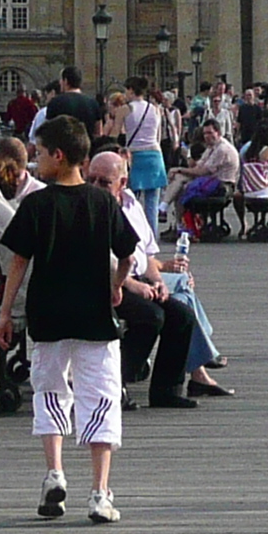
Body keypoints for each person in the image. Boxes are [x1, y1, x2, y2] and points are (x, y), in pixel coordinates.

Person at [0, 115, 143, 523]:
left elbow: (19, 262)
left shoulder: (36, 204)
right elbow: (128, 254)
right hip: (95, 317)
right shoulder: (102, 203)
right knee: (100, 397)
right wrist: (116, 285)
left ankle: (55, 473)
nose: (35, 162)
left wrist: (6, 312)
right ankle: (99, 492)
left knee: (50, 392)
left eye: (39, 154)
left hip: (48, 317)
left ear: (58, 157)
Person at [88, 152, 204, 411]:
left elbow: (147, 255)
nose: (95, 187)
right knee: (150, 316)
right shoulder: (88, 208)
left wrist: (158, 281)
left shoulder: (131, 206)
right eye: (91, 180)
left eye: (104, 182)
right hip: (103, 284)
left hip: (136, 278)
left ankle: (167, 391)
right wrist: (133, 285)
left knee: (182, 316)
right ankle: (115, 381)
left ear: (123, 183)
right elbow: (102, 261)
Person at [120, 75, 170, 223]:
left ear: (131, 90)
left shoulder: (125, 109)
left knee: (129, 202)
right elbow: (158, 136)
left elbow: (115, 134)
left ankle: (132, 238)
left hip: (135, 155)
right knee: (152, 205)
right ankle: (152, 240)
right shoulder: (155, 109)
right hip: (154, 154)